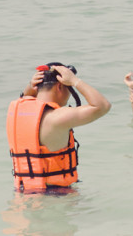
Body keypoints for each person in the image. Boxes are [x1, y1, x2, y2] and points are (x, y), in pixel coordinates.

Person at [7, 63, 112, 192]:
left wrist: (30, 86)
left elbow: (25, 99)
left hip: (22, 192)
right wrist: (75, 81)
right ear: (59, 86)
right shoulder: (56, 118)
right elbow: (103, 106)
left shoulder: (16, 112)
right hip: (55, 197)